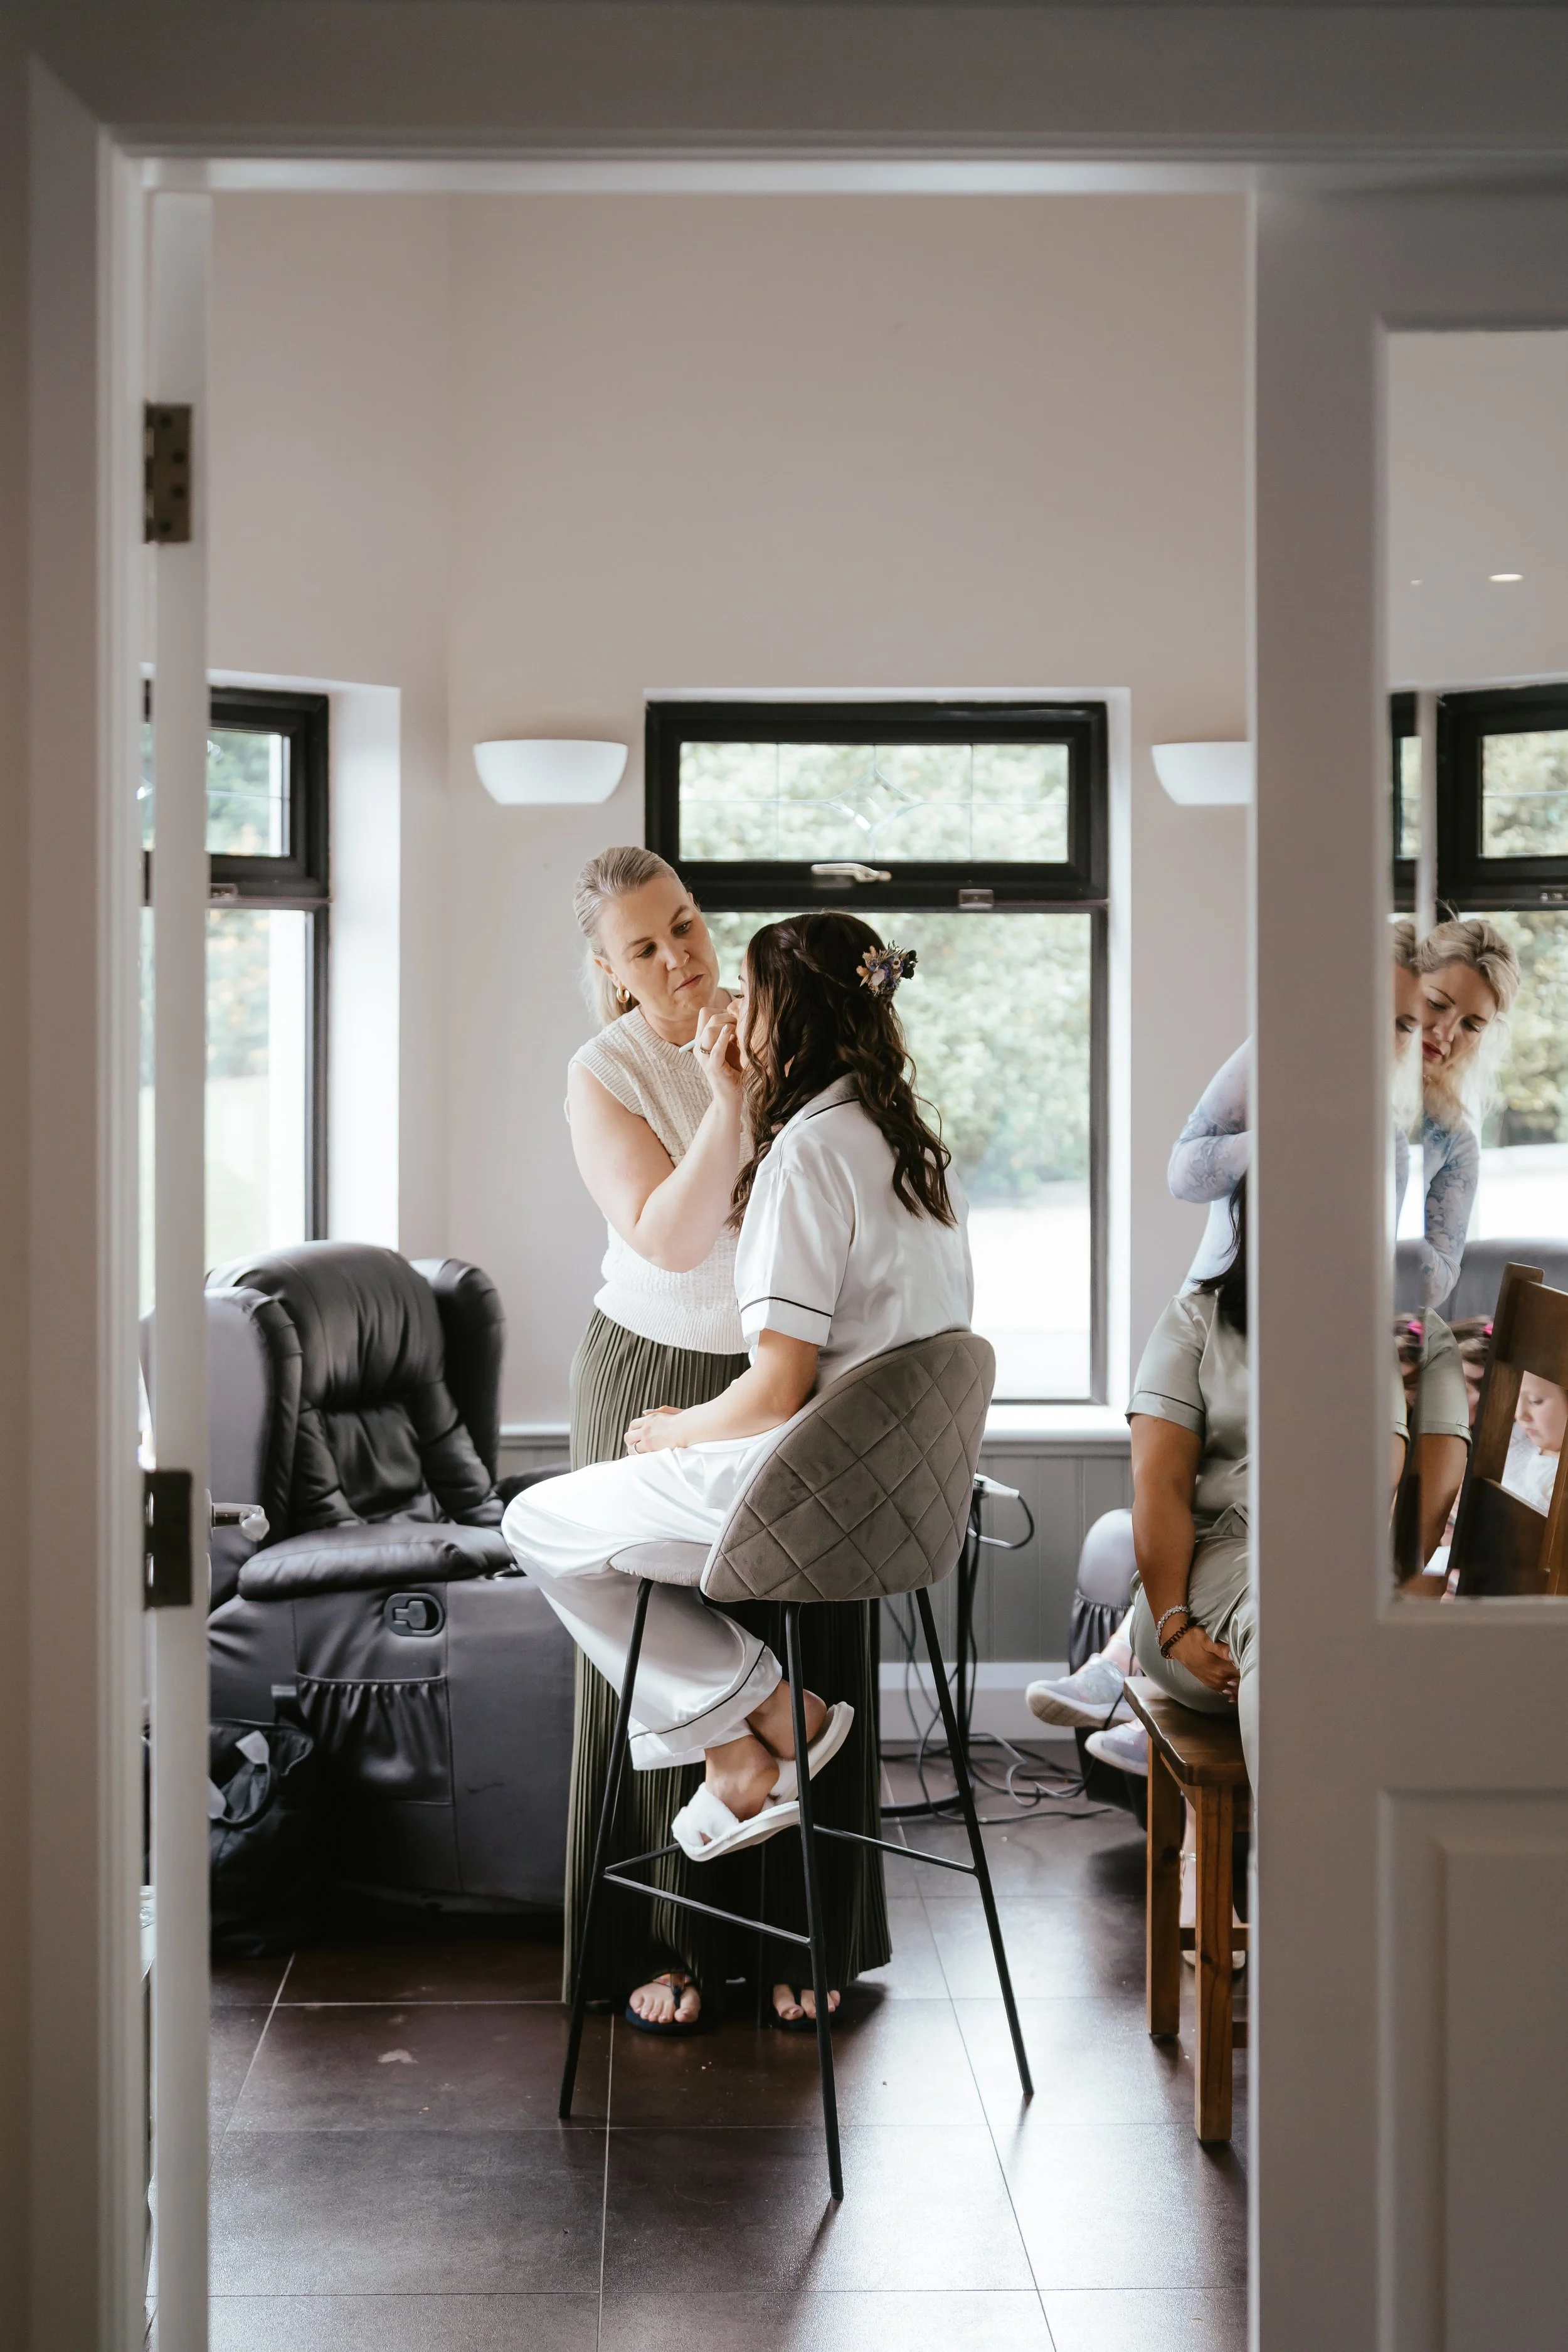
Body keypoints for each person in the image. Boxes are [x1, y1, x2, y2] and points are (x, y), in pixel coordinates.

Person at [511, 909, 972, 2030]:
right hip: (896, 1500)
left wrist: (674, 1430)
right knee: (592, 1529)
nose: (723, 1002)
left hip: (795, 1484)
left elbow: (771, 1388)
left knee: (540, 1523)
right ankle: (756, 1725)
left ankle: (758, 1718)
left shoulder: (809, 1155)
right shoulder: (911, 1147)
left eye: (754, 1000)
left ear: (788, 1020)